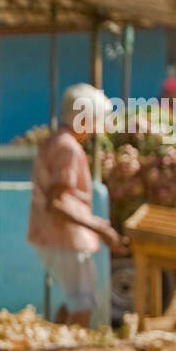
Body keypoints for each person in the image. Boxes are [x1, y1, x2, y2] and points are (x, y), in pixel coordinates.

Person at [28, 83, 128, 328]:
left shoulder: (54, 141)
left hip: (52, 236)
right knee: (83, 304)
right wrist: (100, 228)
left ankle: (58, 346)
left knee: (72, 300)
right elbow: (58, 203)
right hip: (64, 237)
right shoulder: (68, 148)